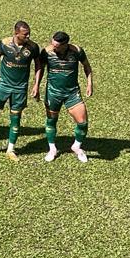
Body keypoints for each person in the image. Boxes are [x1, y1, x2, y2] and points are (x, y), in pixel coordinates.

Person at [0, 21, 41, 161]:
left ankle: (11, 149)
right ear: (16, 33)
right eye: (25, 34)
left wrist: (36, 85)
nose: (28, 36)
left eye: (29, 33)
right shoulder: (4, 43)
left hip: (20, 88)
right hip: (2, 85)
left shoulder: (33, 47)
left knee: (15, 118)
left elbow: (38, 66)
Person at [36, 31, 93, 163]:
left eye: (56, 46)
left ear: (65, 45)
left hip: (72, 93)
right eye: (52, 44)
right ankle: (52, 149)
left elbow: (87, 67)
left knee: (82, 122)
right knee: (51, 120)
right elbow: (40, 68)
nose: (53, 47)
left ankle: (77, 146)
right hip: (53, 92)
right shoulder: (46, 52)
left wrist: (89, 84)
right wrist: (36, 86)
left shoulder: (77, 51)